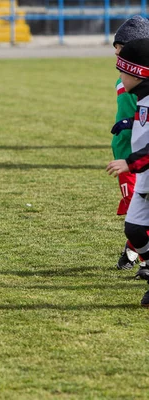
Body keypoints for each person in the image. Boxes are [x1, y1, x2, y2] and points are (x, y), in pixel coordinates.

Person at [106, 38, 149, 307]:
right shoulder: (143, 99)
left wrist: (129, 163)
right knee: (134, 229)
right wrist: (127, 122)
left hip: (142, 169)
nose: (120, 77)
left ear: (139, 73)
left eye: (123, 71)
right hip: (145, 174)